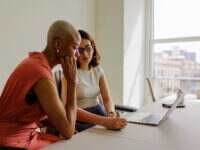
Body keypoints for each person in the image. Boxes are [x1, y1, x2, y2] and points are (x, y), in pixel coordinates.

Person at [0, 20, 81, 149]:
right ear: (58, 44)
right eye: (75, 47)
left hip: (21, 135)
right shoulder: (41, 74)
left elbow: (26, 114)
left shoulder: (35, 62)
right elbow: (68, 131)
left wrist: (62, 125)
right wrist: (72, 83)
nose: (78, 54)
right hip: (12, 142)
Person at [62, 30, 127, 132]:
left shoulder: (98, 70)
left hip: (98, 111)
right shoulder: (69, 73)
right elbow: (69, 108)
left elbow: (107, 99)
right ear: (74, 52)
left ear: (93, 48)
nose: (85, 53)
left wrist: (110, 112)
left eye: (88, 48)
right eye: (80, 50)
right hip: (81, 117)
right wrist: (105, 122)